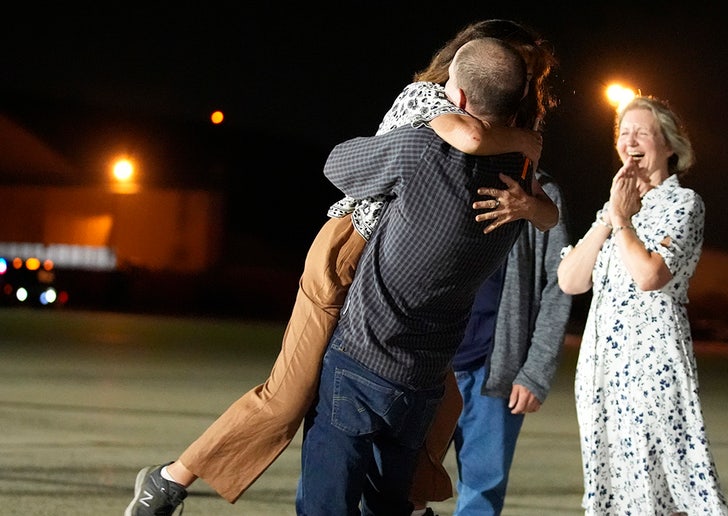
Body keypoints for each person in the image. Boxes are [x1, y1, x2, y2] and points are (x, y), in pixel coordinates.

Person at [124, 19, 558, 516]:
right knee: (290, 398)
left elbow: (545, 206)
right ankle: (169, 480)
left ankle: (407, 504)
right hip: (348, 248)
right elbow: (468, 134)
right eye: (526, 68)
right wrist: (525, 142)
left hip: (390, 260)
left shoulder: (509, 139)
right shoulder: (430, 101)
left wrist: (528, 177)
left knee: (443, 400)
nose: (532, 81)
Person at [295, 36, 531, 515]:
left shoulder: (422, 149)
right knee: (389, 507)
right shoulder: (521, 187)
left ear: (458, 99)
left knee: (325, 506)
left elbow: (337, 164)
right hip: (424, 377)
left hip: (363, 358)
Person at [556, 95, 728, 515]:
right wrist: (609, 217)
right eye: (624, 133)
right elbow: (570, 280)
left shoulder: (684, 204)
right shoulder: (613, 209)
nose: (630, 141)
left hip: (652, 367)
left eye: (642, 133)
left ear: (669, 145)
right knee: (613, 481)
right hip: (602, 368)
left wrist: (623, 222)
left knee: (671, 481)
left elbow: (651, 276)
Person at [413, 167, 572, 516]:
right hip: (428, 366)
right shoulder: (443, 170)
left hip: (495, 370)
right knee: (404, 488)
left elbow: (559, 285)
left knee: (481, 498)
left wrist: (535, 371)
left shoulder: (542, 192)